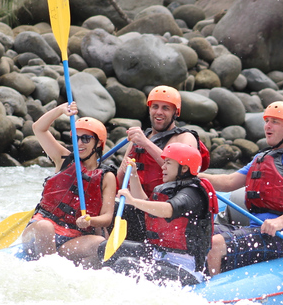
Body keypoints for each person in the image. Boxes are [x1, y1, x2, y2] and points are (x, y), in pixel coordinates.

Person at [200, 101, 283, 276]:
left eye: (275, 121)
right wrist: (194, 175)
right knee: (198, 232)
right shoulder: (262, 157)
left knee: (215, 244)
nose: (268, 126)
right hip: (258, 231)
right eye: (267, 121)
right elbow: (228, 181)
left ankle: (211, 293)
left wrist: (281, 221)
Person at [103, 143, 218, 285]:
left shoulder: (193, 193)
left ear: (184, 168)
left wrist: (132, 201)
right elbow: (145, 204)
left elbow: (169, 209)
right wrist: (133, 174)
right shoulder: (172, 188)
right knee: (105, 248)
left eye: (168, 163)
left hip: (185, 268)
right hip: (159, 253)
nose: (162, 167)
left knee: (125, 264)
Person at [21, 102, 117, 267]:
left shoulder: (107, 177)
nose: (79, 143)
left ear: (99, 143)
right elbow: (38, 128)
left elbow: (107, 218)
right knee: (45, 227)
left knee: (100, 242)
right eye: (76, 138)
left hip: (73, 238)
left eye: (86, 139)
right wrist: (60, 111)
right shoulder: (63, 159)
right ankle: (48, 272)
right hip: (42, 228)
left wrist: (90, 221)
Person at [116, 85, 209, 241]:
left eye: (166, 108)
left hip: (168, 212)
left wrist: (146, 143)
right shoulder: (139, 139)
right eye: (155, 107)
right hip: (139, 205)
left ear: (175, 113)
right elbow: (120, 179)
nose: (159, 112)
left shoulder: (185, 138)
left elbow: (184, 172)